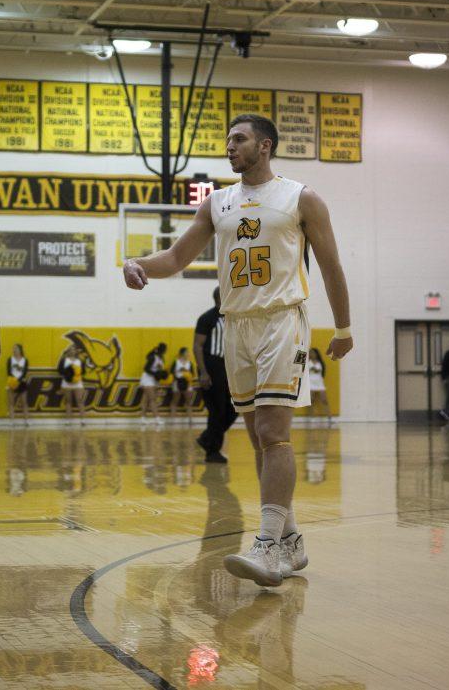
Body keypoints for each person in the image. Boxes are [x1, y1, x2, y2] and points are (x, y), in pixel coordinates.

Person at [124, 112, 353, 587]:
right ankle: (290, 539)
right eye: (228, 139)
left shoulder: (301, 197)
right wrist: (136, 262)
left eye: (239, 139)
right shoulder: (218, 203)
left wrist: (343, 326)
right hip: (237, 326)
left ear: (265, 146)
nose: (229, 147)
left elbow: (330, 265)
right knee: (256, 437)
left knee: (273, 432)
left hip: (282, 320)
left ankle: (268, 545)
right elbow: (176, 257)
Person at [194, 287, 236, 463]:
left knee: (234, 408)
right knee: (216, 410)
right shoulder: (207, 318)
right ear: (220, 297)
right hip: (212, 366)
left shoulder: (233, 316)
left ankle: (206, 438)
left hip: (229, 367)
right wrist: (203, 372)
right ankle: (212, 452)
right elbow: (197, 346)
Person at [57, 345, 87, 425]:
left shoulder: (80, 361)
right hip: (67, 383)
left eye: (73, 350)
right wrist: (68, 372)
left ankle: (83, 420)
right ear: (68, 351)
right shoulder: (64, 360)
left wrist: (76, 372)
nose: (72, 351)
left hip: (77, 383)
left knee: (79, 401)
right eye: (70, 350)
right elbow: (59, 370)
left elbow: (83, 371)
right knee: (68, 401)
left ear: (76, 351)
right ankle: (68, 421)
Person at [139, 343, 168, 422]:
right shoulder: (153, 357)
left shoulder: (162, 358)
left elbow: (158, 370)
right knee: (152, 399)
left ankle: (143, 418)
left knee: (146, 399)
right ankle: (157, 418)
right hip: (147, 379)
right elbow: (146, 368)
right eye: (165, 349)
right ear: (162, 350)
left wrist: (161, 374)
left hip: (154, 380)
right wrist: (155, 373)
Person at [170, 347, 195, 421]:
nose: (188, 354)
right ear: (182, 353)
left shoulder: (189, 363)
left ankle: (190, 419)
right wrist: (180, 371)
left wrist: (186, 372)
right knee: (175, 400)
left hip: (187, 383)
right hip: (177, 382)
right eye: (186, 352)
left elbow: (193, 373)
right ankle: (173, 419)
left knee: (188, 401)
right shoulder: (176, 362)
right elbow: (171, 372)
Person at [6, 344, 29, 423]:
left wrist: (19, 380)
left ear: (20, 350)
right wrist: (15, 381)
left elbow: (25, 372)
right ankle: (11, 421)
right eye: (14, 348)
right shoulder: (10, 360)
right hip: (12, 382)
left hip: (22, 382)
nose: (14, 350)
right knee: (11, 402)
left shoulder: (25, 360)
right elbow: (9, 372)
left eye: (16, 348)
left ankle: (26, 420)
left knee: (24, 402)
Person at [307, 348, 330, 421]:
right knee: (311, 400)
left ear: (316, 354)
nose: (312, 354)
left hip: (319, 383)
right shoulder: (307, 362)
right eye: (310, 353)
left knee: (324, 400)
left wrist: (314, 370)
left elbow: (322, 372)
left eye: (313, 353)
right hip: (311, 383)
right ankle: (311, 417)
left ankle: (329, 417)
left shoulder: (320, 362)